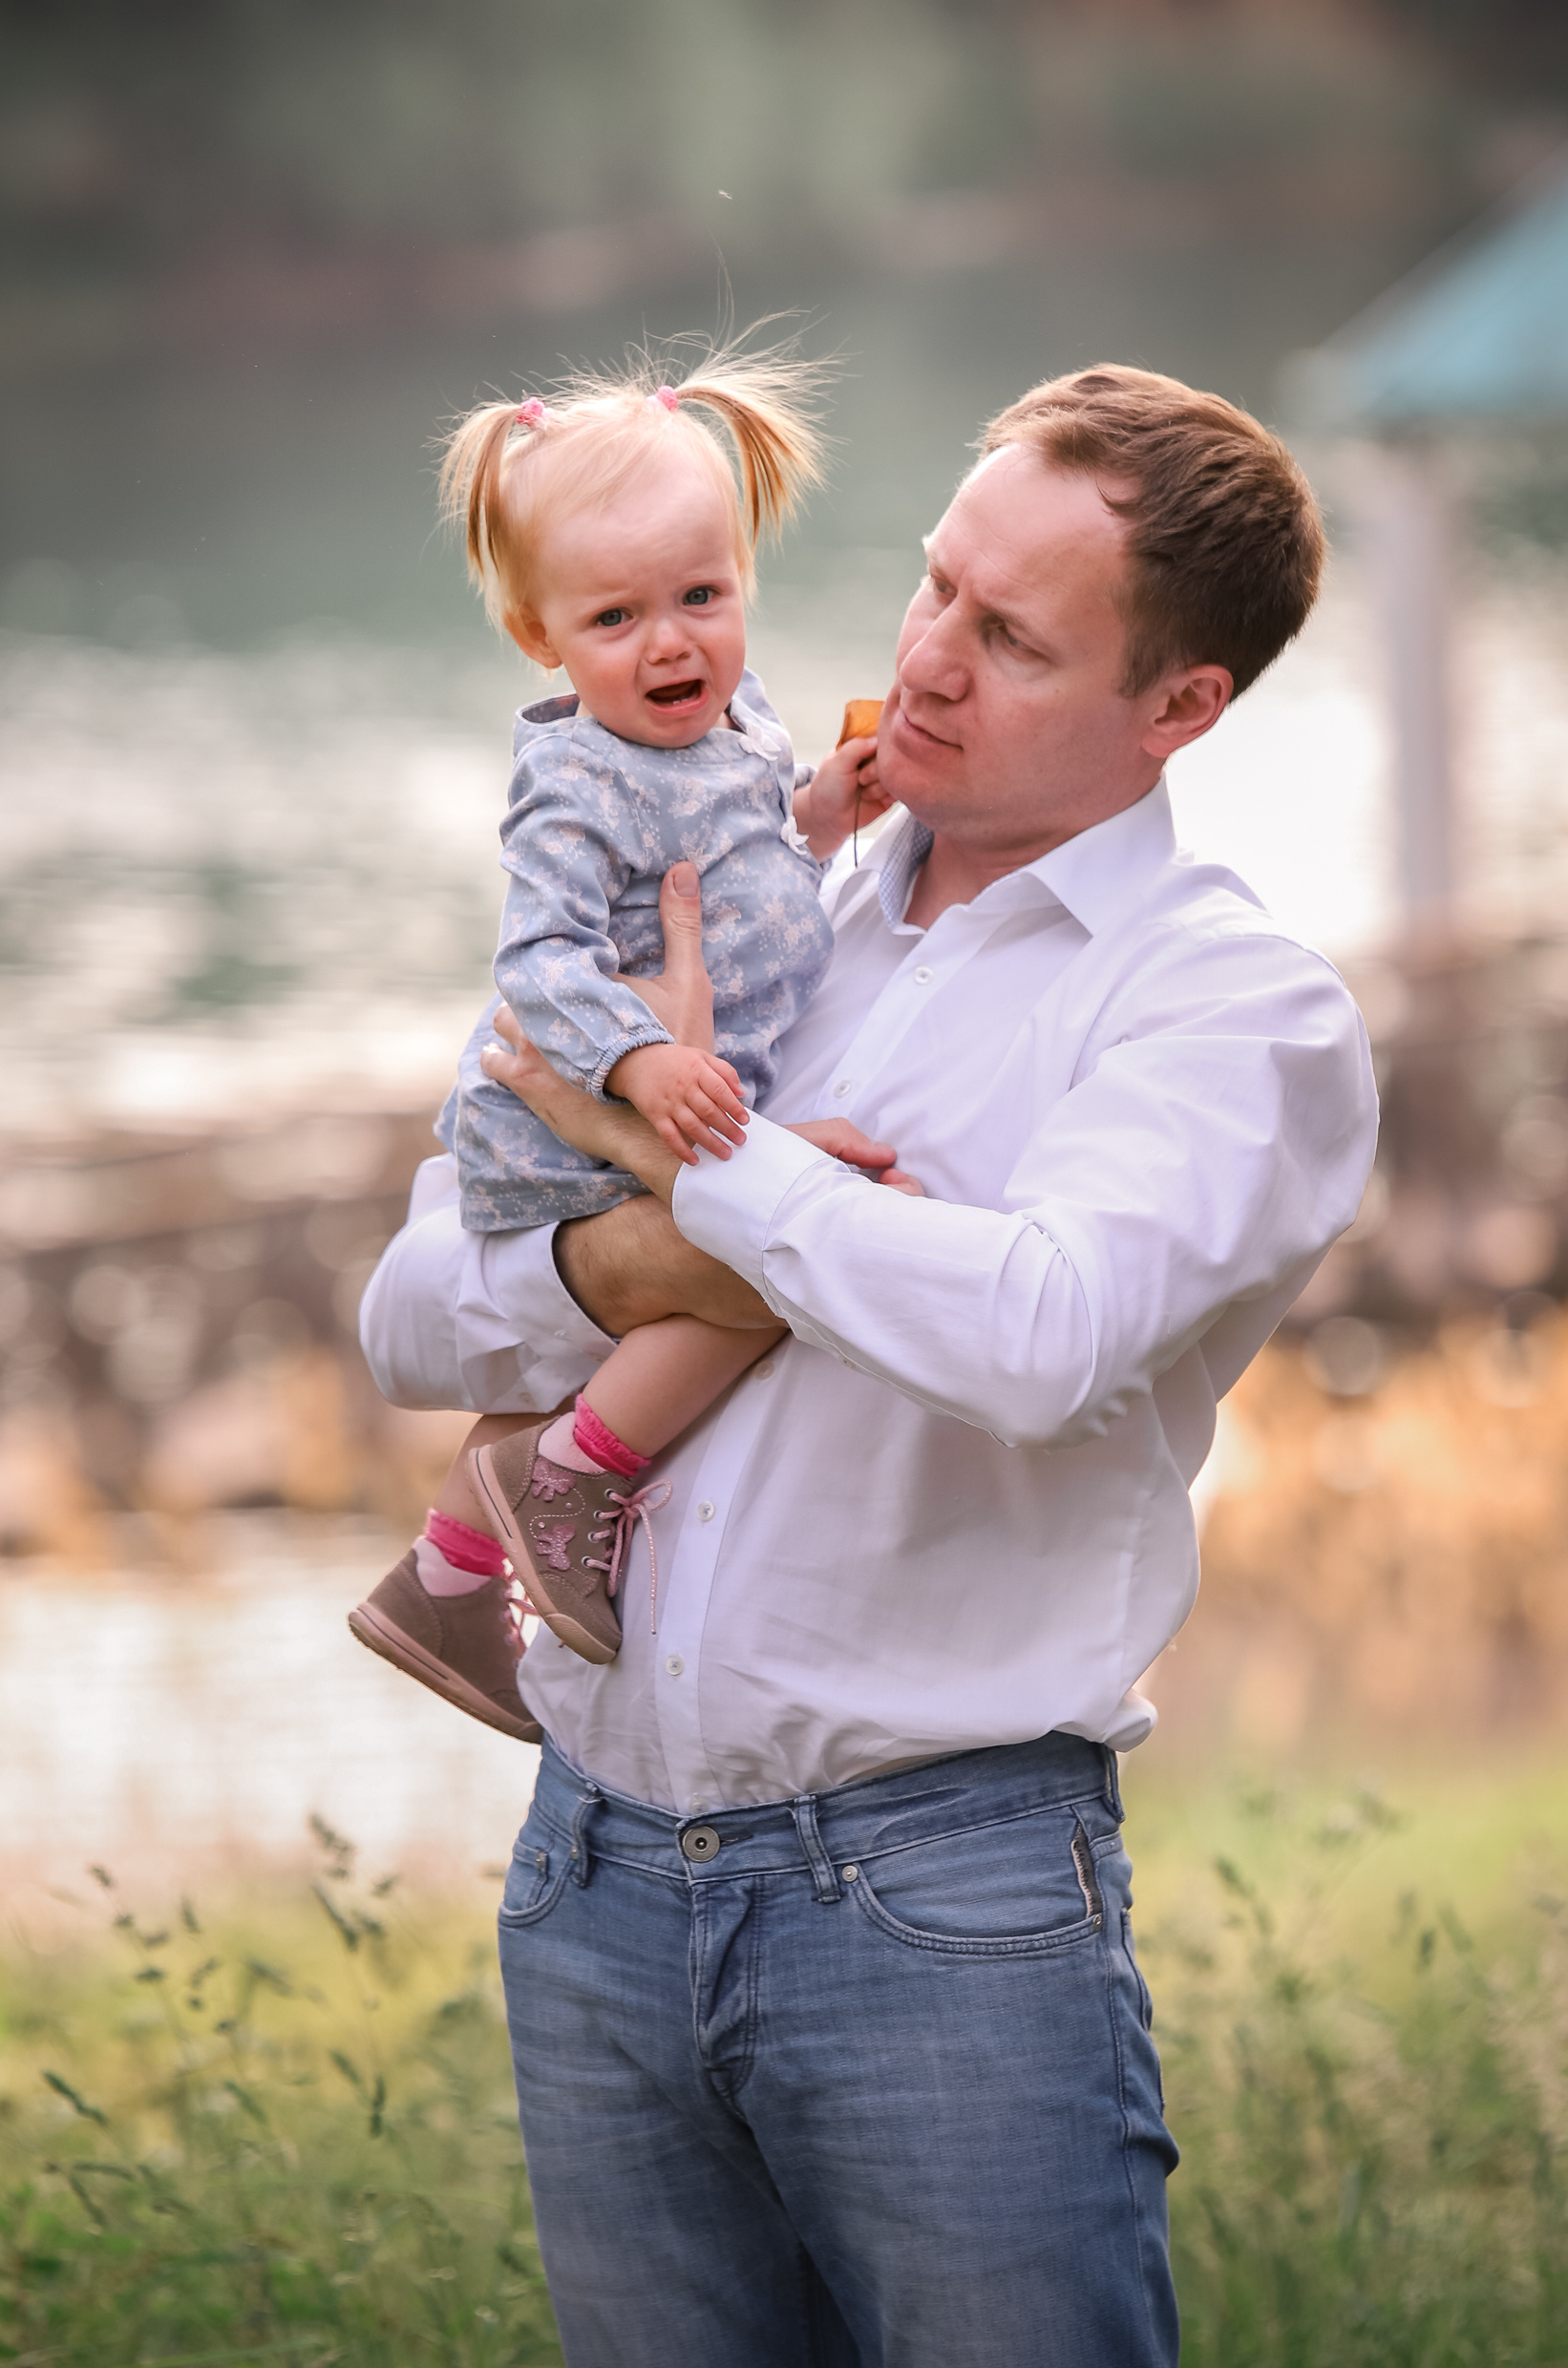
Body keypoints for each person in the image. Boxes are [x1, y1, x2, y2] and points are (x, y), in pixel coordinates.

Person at [359, 365, 1379, 2365]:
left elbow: (1028, 1333)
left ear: (1178, 708)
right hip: (592, 1866)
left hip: (933, 1901)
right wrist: (672, 1220)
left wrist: (698, 1190)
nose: (918, 659)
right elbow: (414, 1306)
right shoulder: (758, 885)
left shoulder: (1226, 1010)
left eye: (1007, 638)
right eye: (931, 584)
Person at [349, 344, 896, 1723]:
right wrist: (638, 1062)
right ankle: (578, 1471)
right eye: (616, 619)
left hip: (665, 1095)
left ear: (742, 583)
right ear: (542, 638)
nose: (672, 644)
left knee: (698, 1268)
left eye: (702, 598)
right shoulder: (574, 780)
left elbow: (746, 856)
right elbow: (538, 960)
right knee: (759, 1263)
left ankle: (451, 1575)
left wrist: (824, 810)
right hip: (576, 1113)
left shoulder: (738, 717)